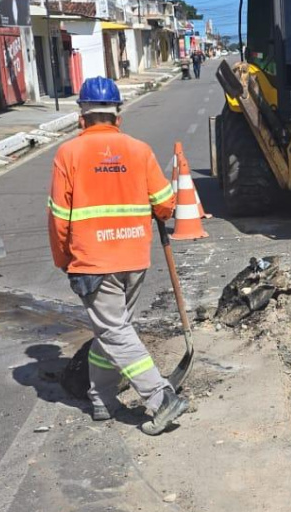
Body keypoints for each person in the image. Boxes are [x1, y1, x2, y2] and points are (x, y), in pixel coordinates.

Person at [47, 76, 188, 435]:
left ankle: (159, 398)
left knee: (113, 332)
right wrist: (160, 210)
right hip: (135, 257)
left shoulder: (69, 153)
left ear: (82, 116)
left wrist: (63, 259)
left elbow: (60, 218)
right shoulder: (139, 150)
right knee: (111, 331)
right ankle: (101, 399)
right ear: (118, 117)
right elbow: (165, 204)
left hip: (93, 262)